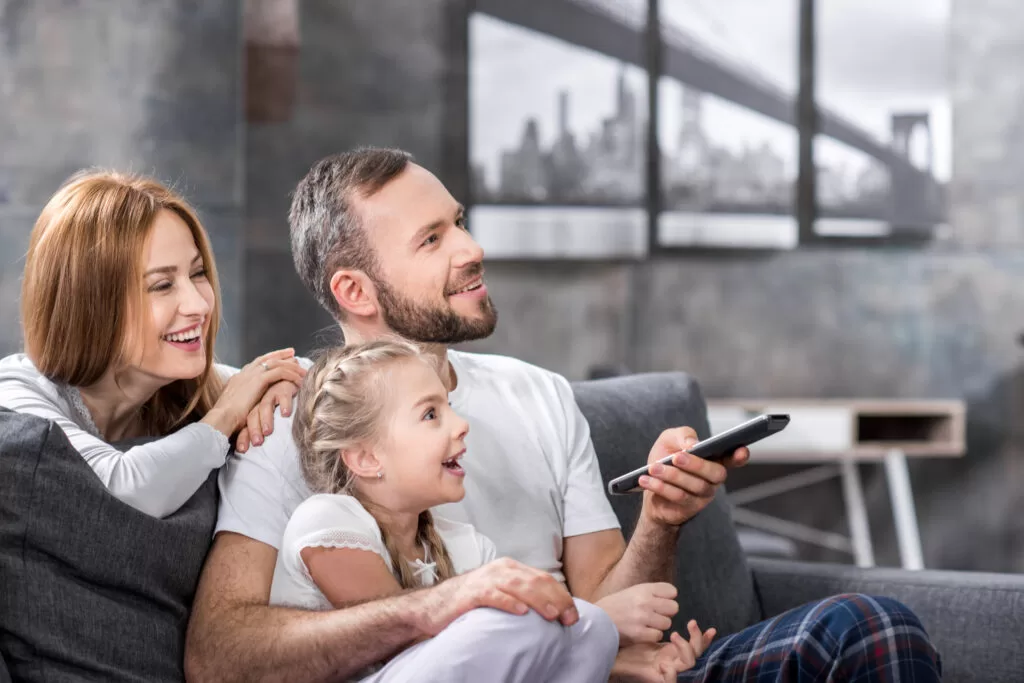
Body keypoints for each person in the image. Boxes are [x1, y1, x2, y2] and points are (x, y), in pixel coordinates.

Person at [186, 148, 942, 682]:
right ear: (356, 291)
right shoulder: (288, 422)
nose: (474, 248)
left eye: (460, 220)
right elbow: (219, 655)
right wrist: (448, 607)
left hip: (595, 666)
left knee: (869, 629)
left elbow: (605, 598)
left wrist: (662, 517)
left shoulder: (539, 395)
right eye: (433, 238)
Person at [270, 338, 697, 681]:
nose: (460, 424)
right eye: (431, 414)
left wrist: (616, 661)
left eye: (449, 407)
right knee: (552, 619)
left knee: (588, 628)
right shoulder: (328, 519)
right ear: (366, 459)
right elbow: (394, 639)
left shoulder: (465, 544)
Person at [0, 170, 306, 518]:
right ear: (89, 303)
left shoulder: (180, 389)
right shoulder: (15, 400)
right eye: (162, 285)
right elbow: (116, 493)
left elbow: (297, 382)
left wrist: (280, 381)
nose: (200, 306)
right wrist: (225, 417)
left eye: (197, 273)